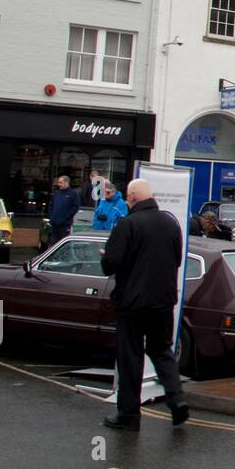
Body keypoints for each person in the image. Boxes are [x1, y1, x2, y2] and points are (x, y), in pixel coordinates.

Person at [99, 179, 189, 430]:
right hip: (163, 300)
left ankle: (128, 414)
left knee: (131, 356)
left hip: (133, 302)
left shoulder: (127, 224)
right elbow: (177, 259)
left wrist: (107, 256)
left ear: (132, 197)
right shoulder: (171, 224)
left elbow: (111, 264)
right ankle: (177, 399)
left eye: (128, 198)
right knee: (161, 350)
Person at [48, 175, 80, 242]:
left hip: (64, 225)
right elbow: (51, 205)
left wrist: (67, 216)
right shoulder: (56, 193)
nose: (59, 184)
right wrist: (51, 216)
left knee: (62, 243)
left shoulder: (73, 194)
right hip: (54, 224)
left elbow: (76, 207)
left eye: (61, 182)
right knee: (53, 243)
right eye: (58, 182)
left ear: (66, 182)